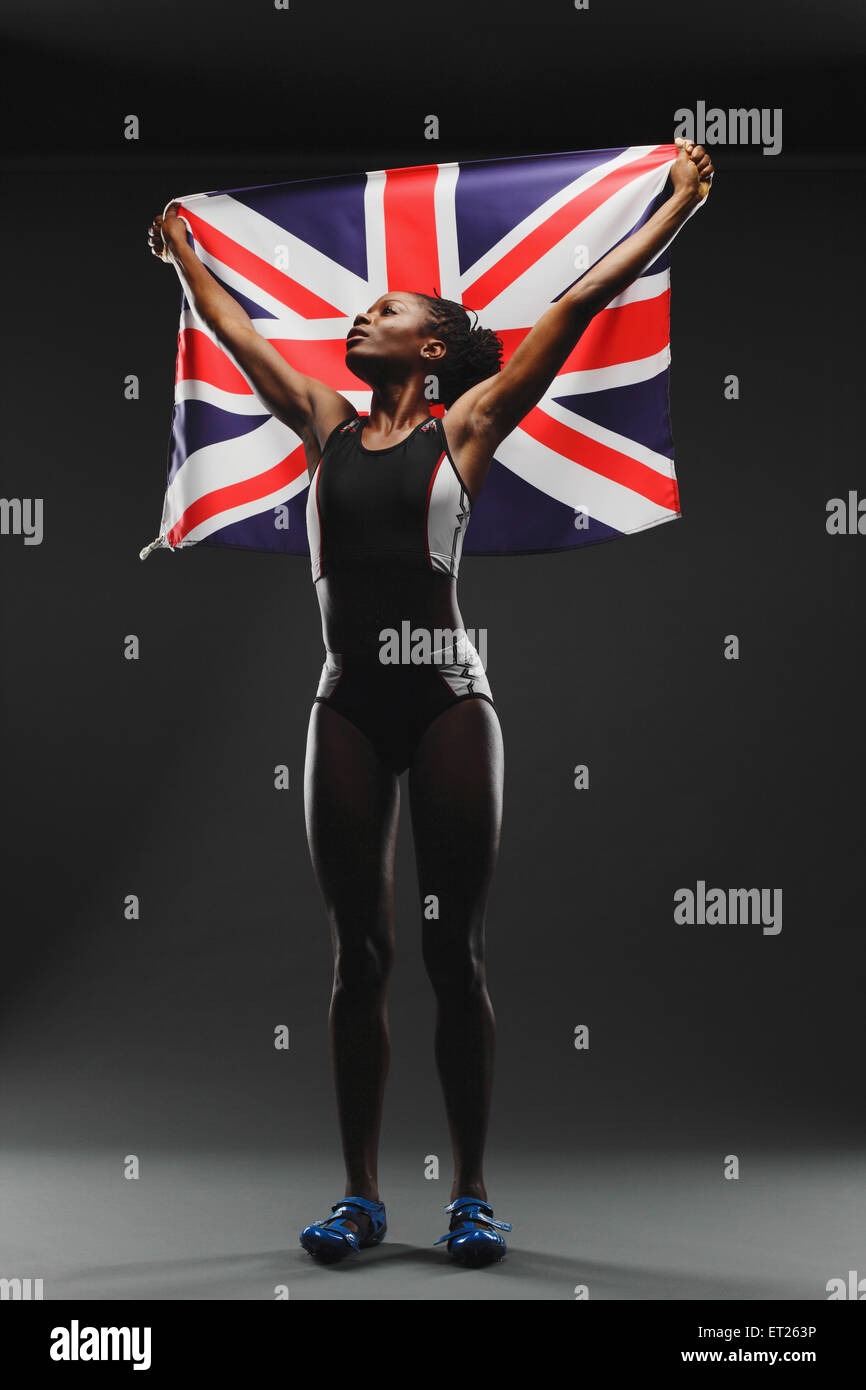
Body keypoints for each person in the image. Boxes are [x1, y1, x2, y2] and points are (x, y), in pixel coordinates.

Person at [147, 137, 714, 1268]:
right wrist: (180, 253)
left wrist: (676, 203)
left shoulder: (469, 426)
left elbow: (583, 295)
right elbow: (237, 335)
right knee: (358, 956)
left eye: (388, 311)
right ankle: (359, 1197)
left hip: (452, 705)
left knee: (454, 953)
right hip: (345, 707)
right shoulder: (320, 422)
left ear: (436, 347)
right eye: (363, 311)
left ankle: (469, 1194)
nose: (363, 318)